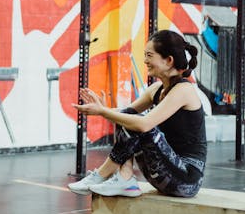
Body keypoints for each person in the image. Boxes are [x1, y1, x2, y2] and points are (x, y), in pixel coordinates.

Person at [68, 30, 207, 198]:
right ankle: (124, 178)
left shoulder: (184, 90)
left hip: (186, 180)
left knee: (138, 123)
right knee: (127, 117)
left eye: (149, 55)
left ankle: (101, 176)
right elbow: (126, 114)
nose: (145, 60)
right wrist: (102, 109)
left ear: (169, 60)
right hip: (163, 175)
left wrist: (104, 112)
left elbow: (144, 124)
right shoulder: (156, 89)